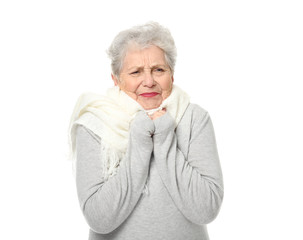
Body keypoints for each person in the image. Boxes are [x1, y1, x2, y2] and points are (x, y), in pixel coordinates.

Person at [68, 22, 224, 240]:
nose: (149, 81)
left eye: (158, 70)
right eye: (135, 72)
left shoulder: (195, 119)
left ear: (172, 75)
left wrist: (164, 137)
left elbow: (207, 209)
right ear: (116, 80)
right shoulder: (95, 123)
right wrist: (140, 139)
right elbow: (98, 219)